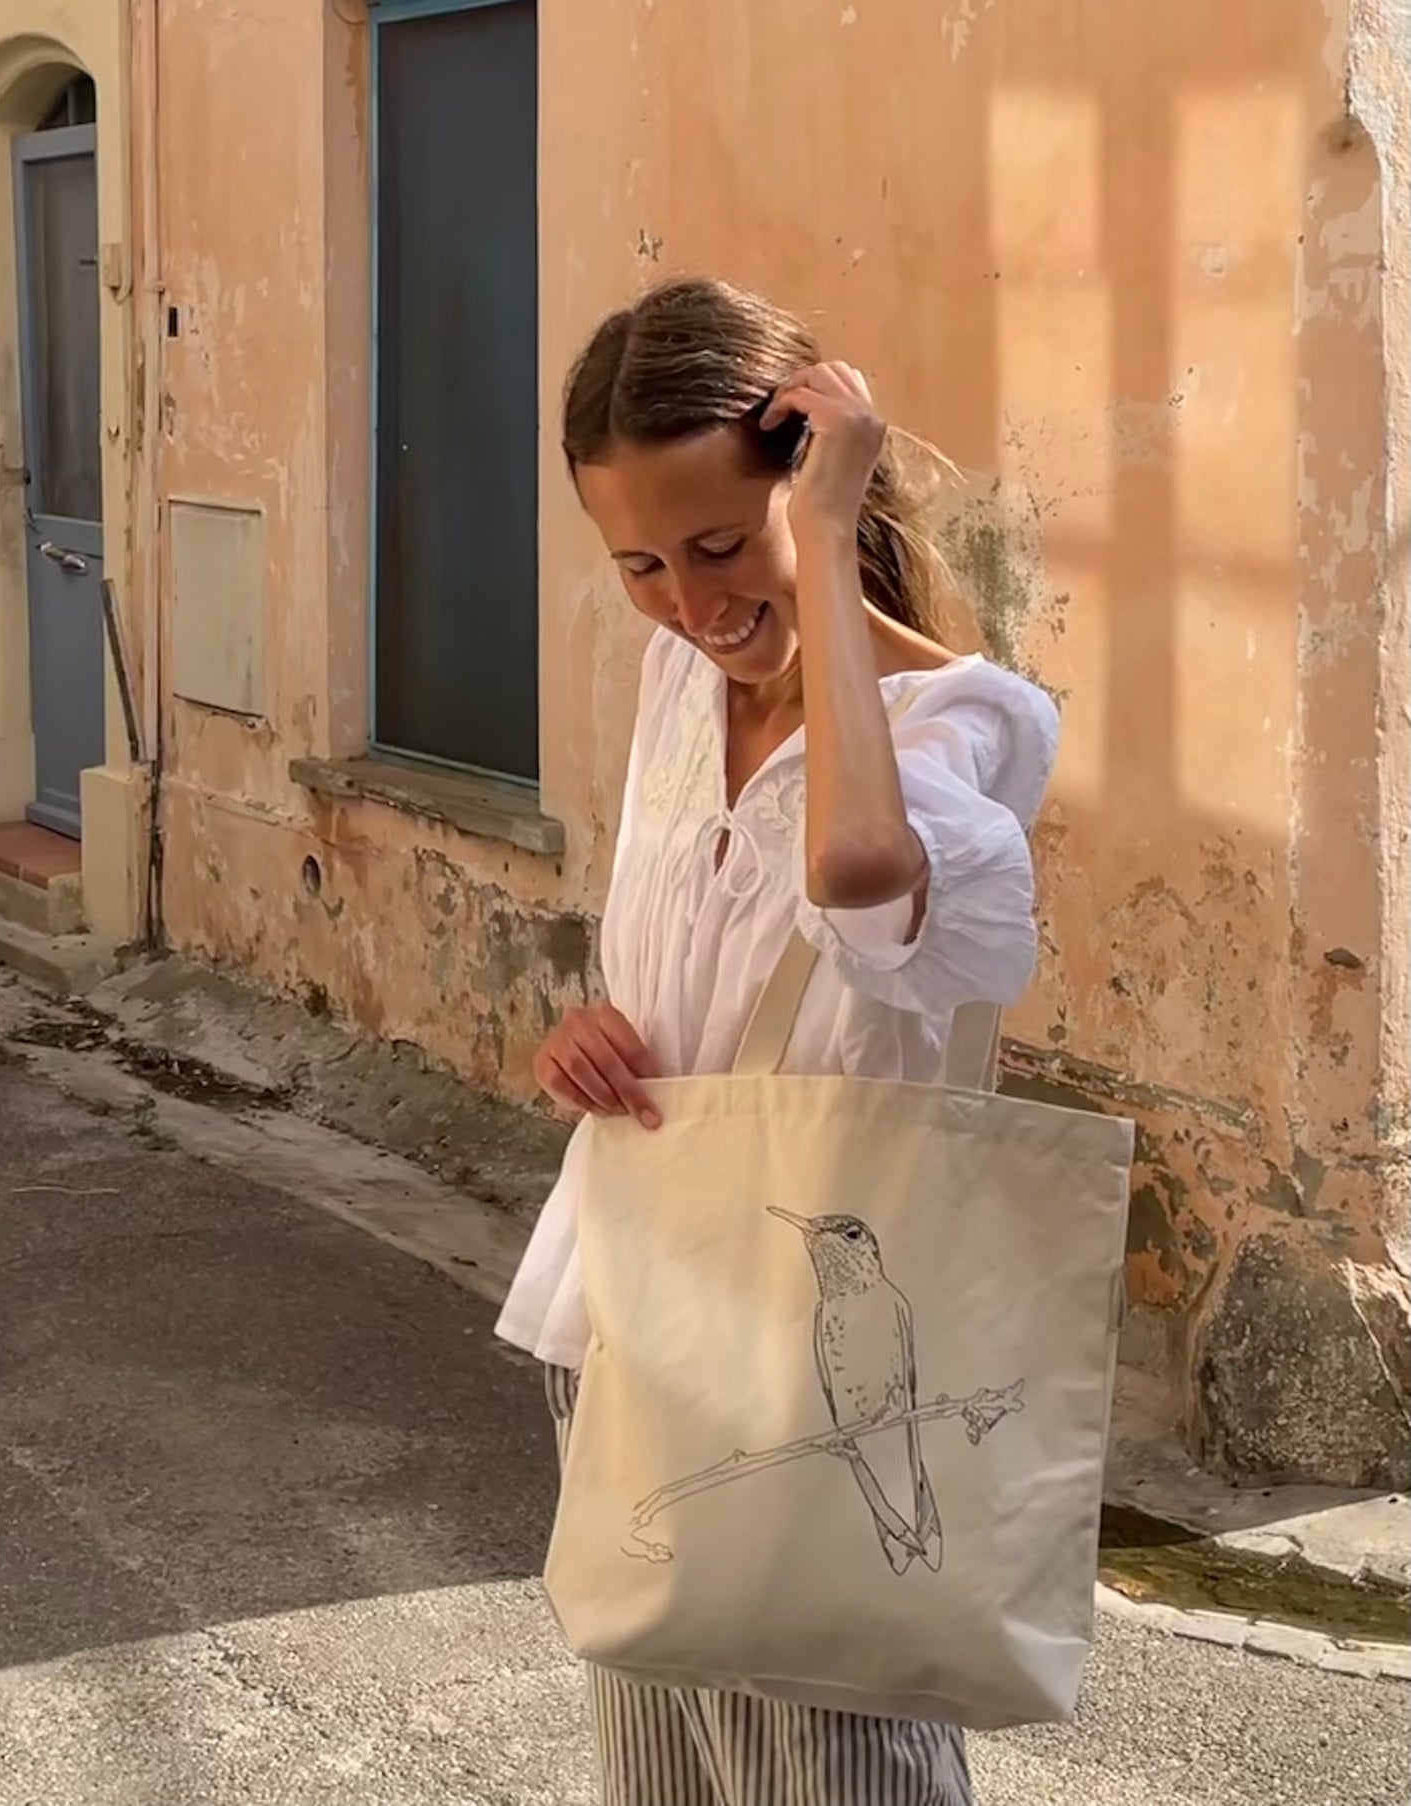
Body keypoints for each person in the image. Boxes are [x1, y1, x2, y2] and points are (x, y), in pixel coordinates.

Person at [496, 277, 1059, 1806]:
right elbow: (676, 971)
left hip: (816, 1360)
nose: (689, 602)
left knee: (843, 1767)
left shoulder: (969, 719)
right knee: (669, 1771)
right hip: (629, 1289)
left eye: (721, 541)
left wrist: (817, 554)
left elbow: (860, 883)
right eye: (640, 564)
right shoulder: (677, 678)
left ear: (805, 489)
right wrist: (593, 1039)